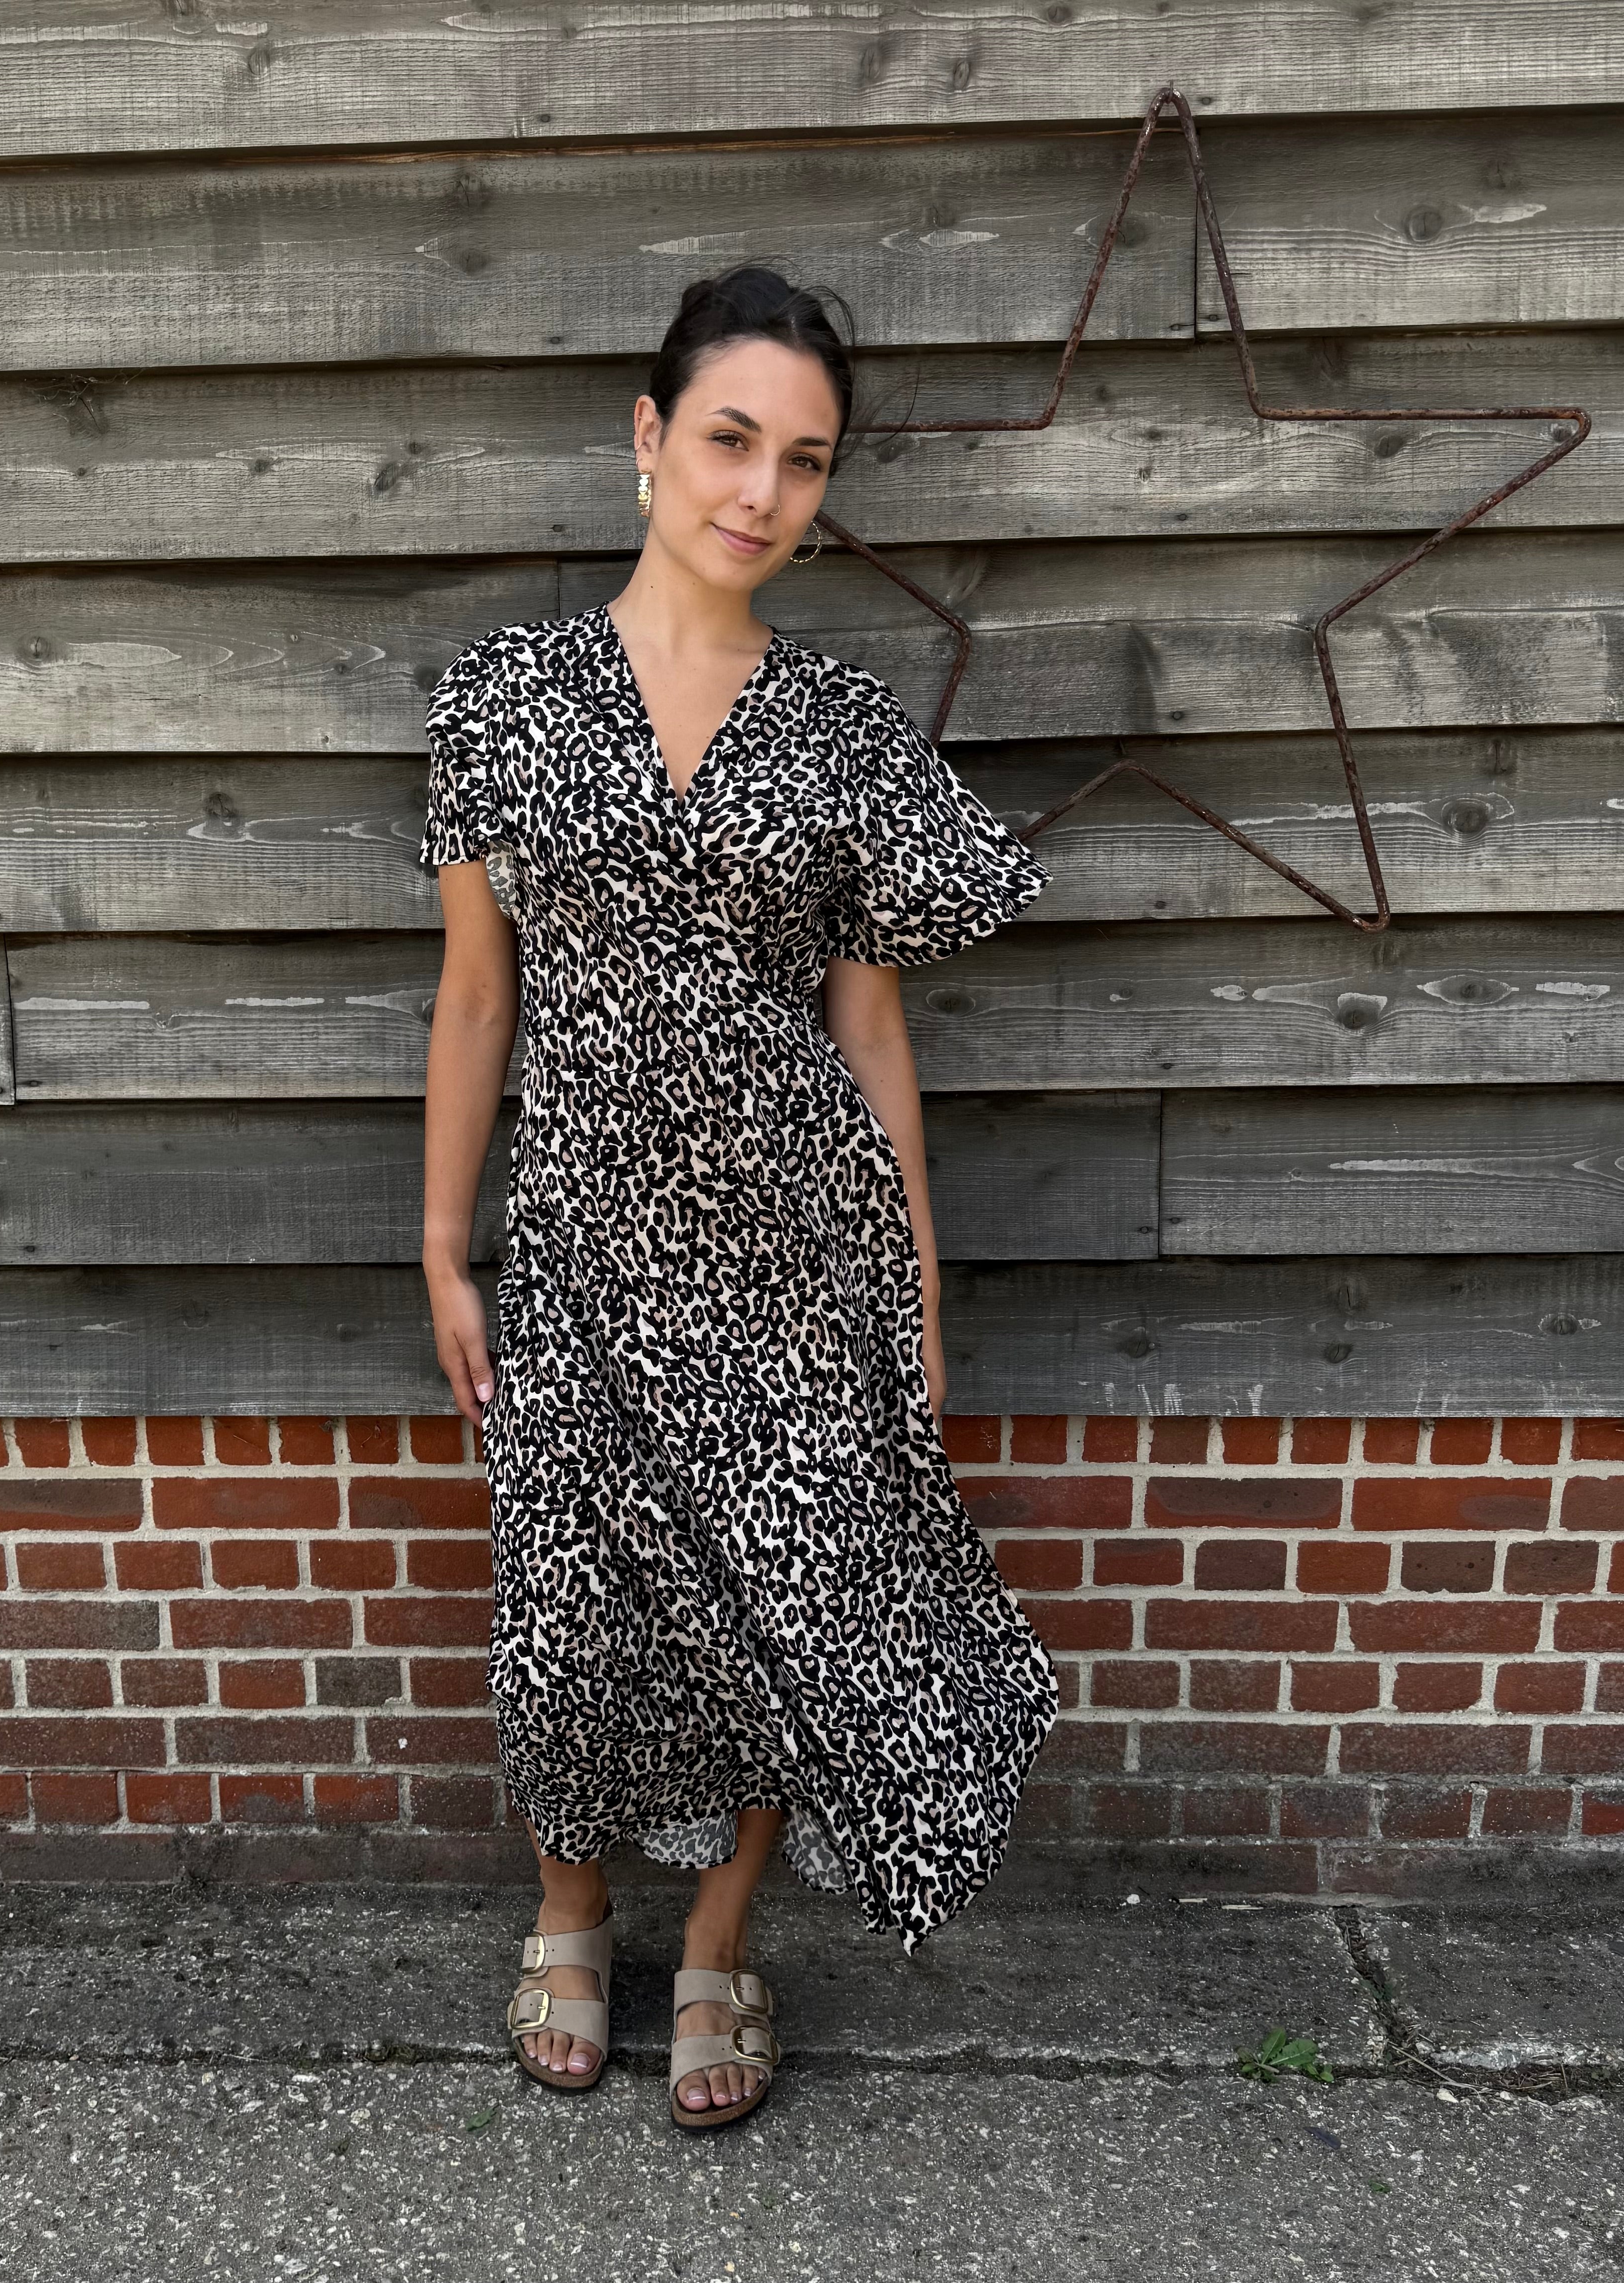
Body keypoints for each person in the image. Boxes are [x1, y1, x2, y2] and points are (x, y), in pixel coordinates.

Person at [418, 263, 1059, 2130]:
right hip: (578, 1245)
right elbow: (477, 996)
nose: (760, 491)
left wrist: (912, 1288)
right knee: (569, 1614)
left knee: (782, 1616)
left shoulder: (847, 731)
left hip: (795, 1262)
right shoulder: (503, 701)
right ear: (647, 437)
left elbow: (869, 1030)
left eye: (804, 460)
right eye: (728, 439)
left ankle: (714, 1950)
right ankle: (567, 1917)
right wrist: (441, 1247)